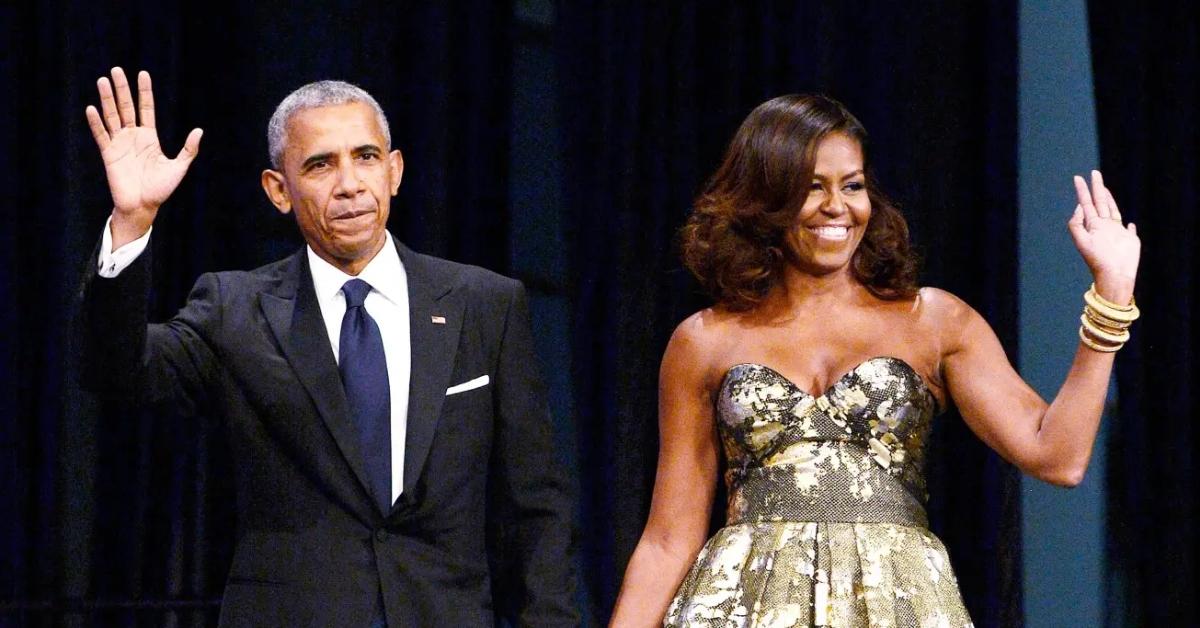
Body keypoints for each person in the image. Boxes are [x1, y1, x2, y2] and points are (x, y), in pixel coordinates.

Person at [609, 94, 1140, 627]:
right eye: (812, 186)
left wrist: (1111, 299)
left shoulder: (933, 321)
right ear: (765, 197)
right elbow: (665, 541)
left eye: (853, 185)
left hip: (896, 605)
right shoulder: (704, 341)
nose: (837, 207)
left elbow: (1059, 456)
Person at [78, 67, 578, 627]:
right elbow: (117, 371)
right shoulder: (236, 308)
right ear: (278, 190)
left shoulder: (485, 304)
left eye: (365, 157)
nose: (349, 184)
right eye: (320, 164)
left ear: (395, 171)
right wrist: (132, 221)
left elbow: (534, 510)